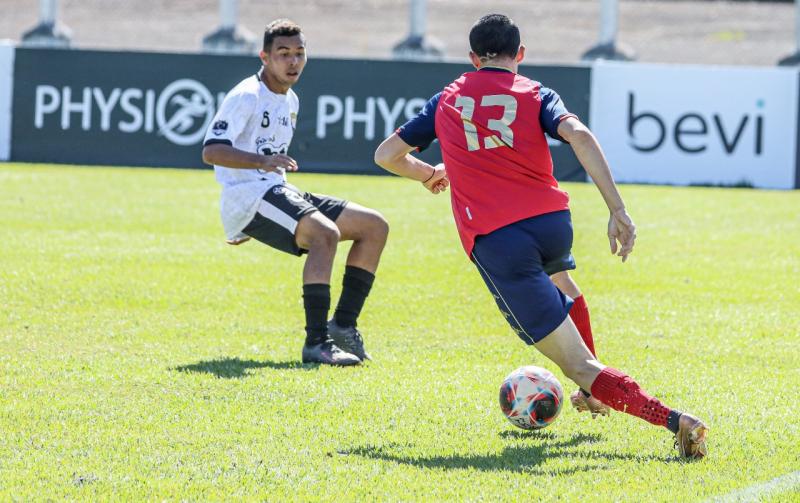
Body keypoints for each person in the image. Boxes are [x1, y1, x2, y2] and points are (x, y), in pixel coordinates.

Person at [374, 14, 708, 458]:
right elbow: (580, 135)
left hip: (499, 239)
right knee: (563, 284)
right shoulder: (537, 93)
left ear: (473, 58)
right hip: (552, 224)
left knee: (579, 365)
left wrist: (427, 173)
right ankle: (593, 394)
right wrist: (617, 209)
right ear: (521, 54)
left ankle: (674, 420)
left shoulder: (447, 100)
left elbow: (386, 155)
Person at [202, 19, 388, 366]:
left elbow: (270, 171)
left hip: (273, 191)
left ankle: (343, 326)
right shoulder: (247, 95)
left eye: (299, 53)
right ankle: (316, 343)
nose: (293, 62)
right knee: (325, 234)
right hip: (248, 196)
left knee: (374, 226)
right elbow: (211, 150)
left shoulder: (291, 99)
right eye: (283, 54)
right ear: (264, 56)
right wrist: (259, 176)